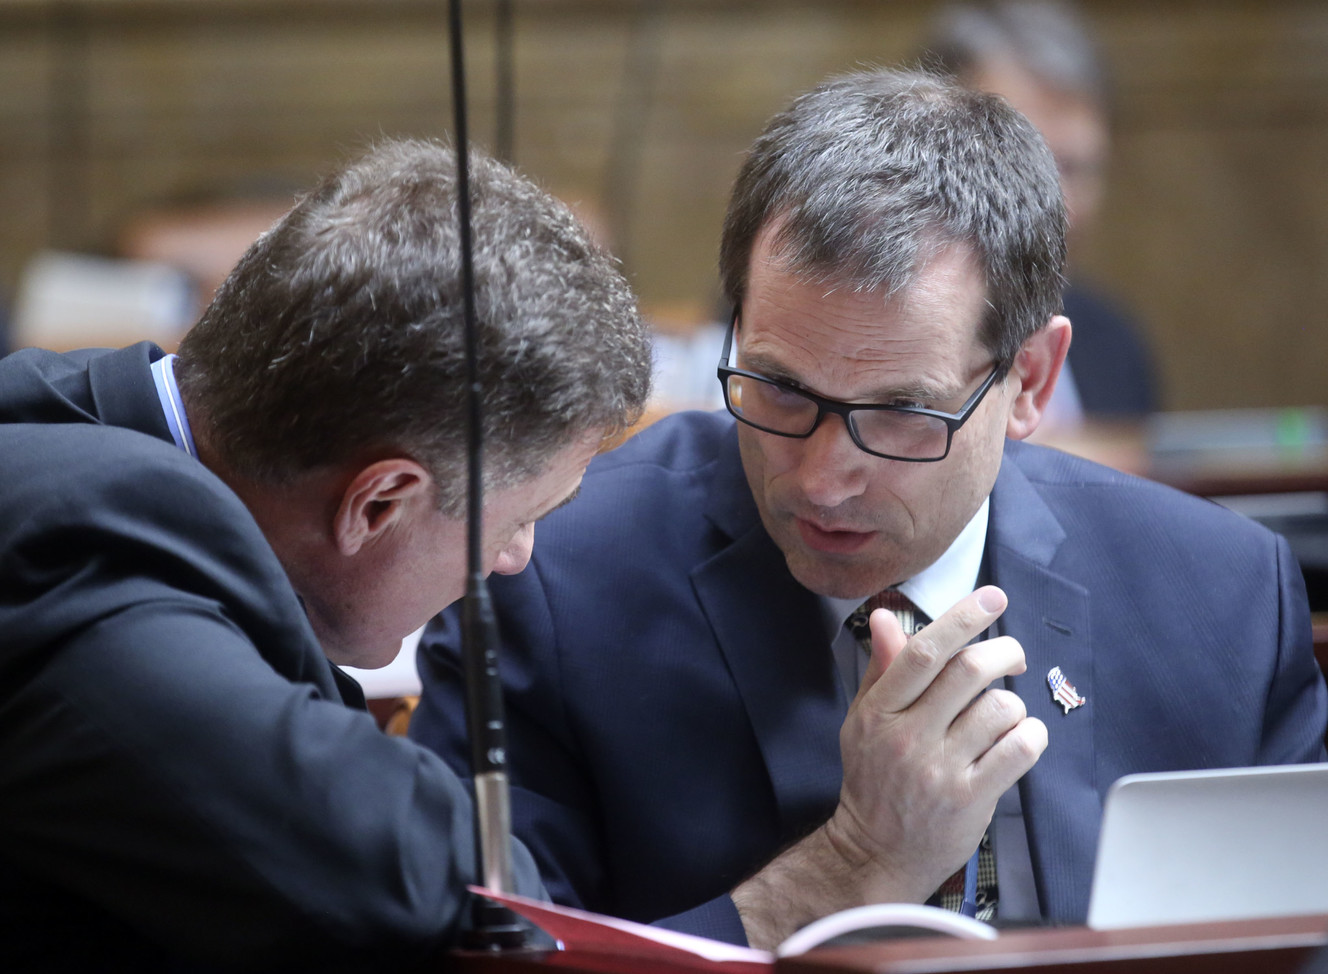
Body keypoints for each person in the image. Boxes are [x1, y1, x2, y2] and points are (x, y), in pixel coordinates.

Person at [409, 68, 1327, 948]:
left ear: (1032, 381)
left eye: (900, 411)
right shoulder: (544, 582)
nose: (822, 478)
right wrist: (855, 864)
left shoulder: (1223, 601)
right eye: (778, 389)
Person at [0, 138, 652, 970]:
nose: (516, 558)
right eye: (516, 519)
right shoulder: (78, 544)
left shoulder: (90, 417)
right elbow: (426, 883)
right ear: (378, 502)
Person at [921, 0, 1159, 421]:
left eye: (1072, 167)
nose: (1054, 203)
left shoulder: (1111, 342)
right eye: (1021, 162)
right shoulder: (882, 342)